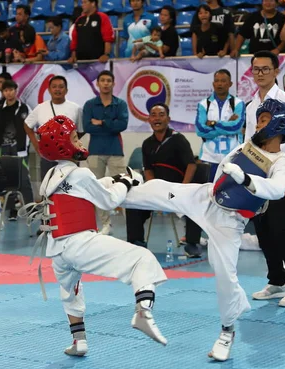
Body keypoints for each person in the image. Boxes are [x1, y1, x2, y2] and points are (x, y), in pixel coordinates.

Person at [121, 99, 285, 361]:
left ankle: (227, 331)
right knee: (159, 190)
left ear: (279, 124)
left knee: (225, 275)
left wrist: (246, 180)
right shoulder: (244, 146)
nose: (258, 123)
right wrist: (218, 187)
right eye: (259, 118)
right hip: (207, 198)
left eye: (264, 119)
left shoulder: (281, 161)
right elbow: (222, 174)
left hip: (229, 222)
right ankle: (105, 191)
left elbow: (277, 188)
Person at [25, 115, 168, 356]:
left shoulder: (51, 176)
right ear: (63, 145)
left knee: (71, 293)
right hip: (80, 243)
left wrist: (112, 180)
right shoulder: (80, 175)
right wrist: (125, 182)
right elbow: (108, 200)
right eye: (73, 138)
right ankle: (143, 312)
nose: (79, 141)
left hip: (57, 250)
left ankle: (78, 341)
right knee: (141, 258)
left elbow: (85, 189)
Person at [245, 51, 285, 307]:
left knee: (279, 230)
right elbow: (250, 143)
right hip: (258, 175)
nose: (260, 73)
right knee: (262, 230)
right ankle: (277, 281)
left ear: (276, 71)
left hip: (281, 174)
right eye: (256, 69)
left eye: (265, 69)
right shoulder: (251, 106)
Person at [125, 104, 202, 258]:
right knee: (132, 202)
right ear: (149, 119)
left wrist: (183, 189)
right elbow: (148, 170)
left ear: (168, 118)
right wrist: (153, 189)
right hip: (158, 192)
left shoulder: (178, 139)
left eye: (161, 114)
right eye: (153, 115)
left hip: (176, 191)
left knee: (194, 202)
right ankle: (136, 242)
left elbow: (191, 165)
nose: (157, 118)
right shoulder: (147, 144)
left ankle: (192, 244)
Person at [82, 70, 129, 235]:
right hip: (95, 151)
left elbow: (122, 125)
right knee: (97, 188)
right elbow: (88, 127)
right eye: (103, 80)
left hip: (115, 150)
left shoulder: (120, 104)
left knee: (124, 186)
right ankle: (106, 224)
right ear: (98, 84)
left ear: (113, 83)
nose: (106, 83)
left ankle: (130, 221)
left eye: (109, 80)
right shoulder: (89, 105)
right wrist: (111, 125)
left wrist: (101, 122)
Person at [24, 75, 83, 180]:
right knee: (48, 187)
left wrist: (71, 144)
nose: (57, 89)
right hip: (48, 156)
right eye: (54, 87)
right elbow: (27, 125)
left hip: (70, 157)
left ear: (66, 90)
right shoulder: (40, 108)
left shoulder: (75, 108)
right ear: (49, 90)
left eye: (61, 87)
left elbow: (80, 130)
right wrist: (37, 145)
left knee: (72, 186)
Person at [195, 69, 245, 182]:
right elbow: (200, 130)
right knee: (208, 192)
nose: (219, 84)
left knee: (230, 192)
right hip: (209, 158)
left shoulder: (238, 103)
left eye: (223, 81)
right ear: (213, 84)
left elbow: (236, 127)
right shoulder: (203, 104)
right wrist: (228, 124)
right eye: (217, 81)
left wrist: (213, 124)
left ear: (230, 84)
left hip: (233, 157)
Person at [0, 79, 34, 220]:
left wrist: (25, 147)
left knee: (23, 180)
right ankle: (11, 210)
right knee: (7, 180)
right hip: (3, 149)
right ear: (3, 93)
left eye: (11, 90)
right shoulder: (0, 110)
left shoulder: (24, 108)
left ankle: (31, 209)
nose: (9, 93)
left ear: (16, 91)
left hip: (20, 150)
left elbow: (30, 128)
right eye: (6, 90)